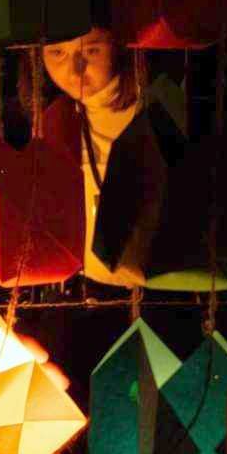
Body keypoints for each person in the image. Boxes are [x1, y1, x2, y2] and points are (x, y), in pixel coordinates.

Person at [37, 28, 147, 287]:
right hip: (85, 286)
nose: (75, 69)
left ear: (119, 46)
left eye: (91, 51)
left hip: (163, 290)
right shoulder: (54, 118)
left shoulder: (151, 109)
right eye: (57, 53)